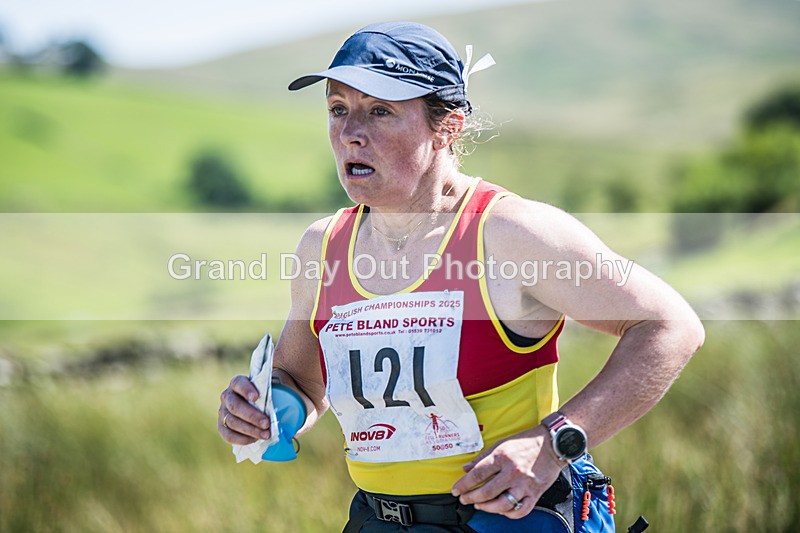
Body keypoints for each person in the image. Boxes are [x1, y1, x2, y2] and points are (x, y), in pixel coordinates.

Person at [217, 21, 704, 532]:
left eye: (380, 111)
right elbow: (302, 380)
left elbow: (671, 326)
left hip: (510, 519)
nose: (351, 133)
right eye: (338, 109)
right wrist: (265, 409)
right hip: (377, 520)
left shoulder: (510, 232)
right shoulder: (323, 245)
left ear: (447, 126)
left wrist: (555, 442)